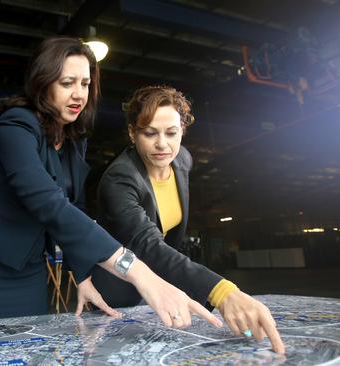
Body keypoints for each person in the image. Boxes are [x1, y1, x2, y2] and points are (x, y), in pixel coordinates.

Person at [0, 36, 222, 331]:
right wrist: (140, 273)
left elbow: (74, 206)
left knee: (28, 344)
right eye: (67, 83)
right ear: (43, 82)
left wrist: (82, 274)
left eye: (85, 83)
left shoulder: (73, 139)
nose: (79, 94)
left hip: (27, 265)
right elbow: (49, 204)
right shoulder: (15, 127)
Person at [91, 85, 285, 353]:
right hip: (119, 295)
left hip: (167, 285)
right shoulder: (119, 179)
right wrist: (222, 293)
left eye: (171, 133)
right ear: (132, 133)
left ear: (182, 130)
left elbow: (168, 246)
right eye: (150, 133)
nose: (162, 144)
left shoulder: (182, 160)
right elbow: (149, 246)